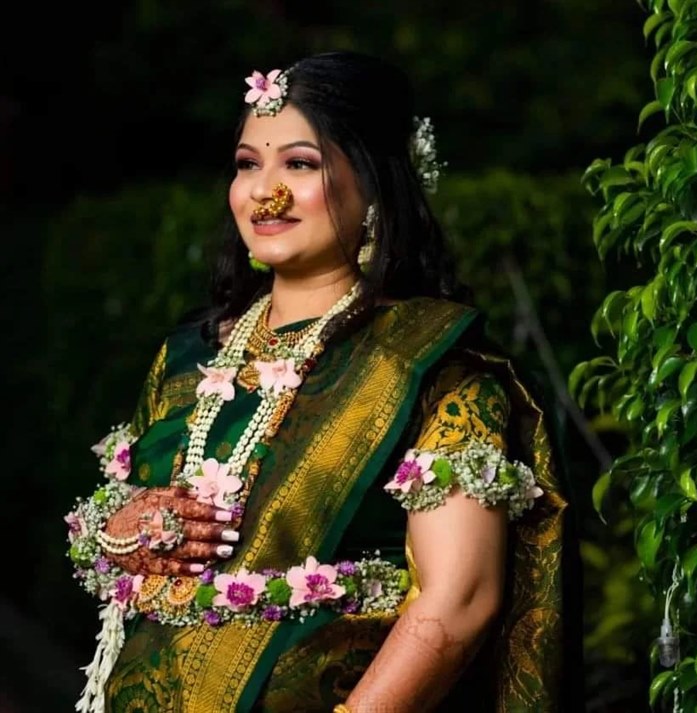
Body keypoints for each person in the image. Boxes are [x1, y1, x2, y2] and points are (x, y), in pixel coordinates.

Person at [65, 51, 574, 713]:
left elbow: (460, 599)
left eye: (300, 164)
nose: (264, 191)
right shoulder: (187, 358)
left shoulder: (428, 367)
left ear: (374, 183)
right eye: (248, 163)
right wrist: (120, 527)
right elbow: (114, 524)